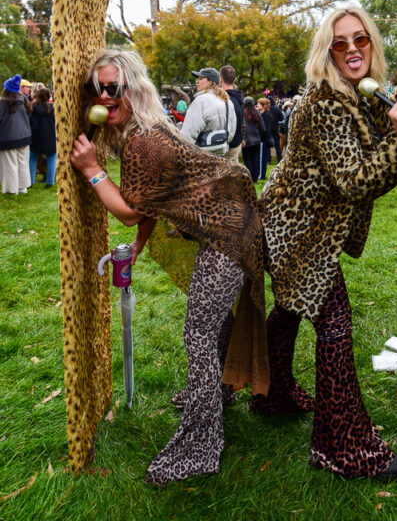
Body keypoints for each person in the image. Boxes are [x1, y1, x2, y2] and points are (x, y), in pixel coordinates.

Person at [253, 6, 397, 481]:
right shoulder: (324, 103)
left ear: (371, 43)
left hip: (303, 227)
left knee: (289, 311)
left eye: (361, 39)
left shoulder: (354, 93)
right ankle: (343, 447)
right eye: (340, 43)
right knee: (334, 322)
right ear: (327, 52)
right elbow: (355, 181)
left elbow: (382, 112)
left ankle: (271, 395)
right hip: (296, 232)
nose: (352, 49)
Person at [70, 50, 268, 485]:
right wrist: (141, 243)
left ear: (133, 88)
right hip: (229, 225)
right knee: (215, 322)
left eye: (113, 87)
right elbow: (152, 202)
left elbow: (128, 211)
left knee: (198, 332)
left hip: (230, 232)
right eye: (96, 89)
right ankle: (216, 392)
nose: (104, 96)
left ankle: (201, 444)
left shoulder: (144, 141)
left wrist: (92, 170)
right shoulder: (141, 131)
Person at [180, 67, 236, 156]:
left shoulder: (201, 101)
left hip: (201, 156)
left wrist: (185, 155)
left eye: (201, 78)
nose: (197, 81)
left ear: (210, 81)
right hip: (221, 154)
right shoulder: (227, 101)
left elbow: (187, 134)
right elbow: (231, 132)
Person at [0, 74, 32, 194]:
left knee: (10, 164)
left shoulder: (2, 103)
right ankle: (23, 187)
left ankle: (11, 189)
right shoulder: (24, 100)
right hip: (24, 136)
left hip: (8, 137)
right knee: (23, 163)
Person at [29, 87, 57, 188]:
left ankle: (30, 181)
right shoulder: (52, 108)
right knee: (52, 159)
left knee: (32, 159)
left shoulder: (33, 107)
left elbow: (30, 122)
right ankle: (50, 182)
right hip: (50, 137)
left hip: (36, 137)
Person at [219, 65, 245, 164]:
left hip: (228, 145)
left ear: (220, 80)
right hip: (236, 143)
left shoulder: (225, 99)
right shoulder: (239, 97)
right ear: (234, 80)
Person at [241, 96, 264, 182]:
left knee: (247, 160)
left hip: (246, 140)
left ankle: (248, 177)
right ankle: (255, 177)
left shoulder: (242, 114)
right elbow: (263, 128)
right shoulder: (257, 114)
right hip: (256, 140)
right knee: (255, 160)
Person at [256, 96, 274, 180]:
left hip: (263, 140)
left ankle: (261, 175)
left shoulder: (266, 115)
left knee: (261, 158)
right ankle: (261, 174)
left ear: (264, 106)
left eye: (259, 104)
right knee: (261, 157)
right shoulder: (261, 114)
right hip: (261, 139)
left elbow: (266, 129)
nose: (257, 105)